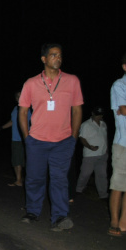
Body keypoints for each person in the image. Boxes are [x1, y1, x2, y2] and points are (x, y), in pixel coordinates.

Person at [18, 43, 84, 231]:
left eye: (60, 55)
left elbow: (77, 109)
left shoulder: (72, 81)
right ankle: (32, 211)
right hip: (37, 141)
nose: (58, 58)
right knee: (34, 178)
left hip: (63, 141)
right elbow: (22, 112)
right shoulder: (31, 83)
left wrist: (73, 137)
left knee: (59, 179)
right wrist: (27, 138)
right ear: (44, 59)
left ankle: (60, 217)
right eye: (53, 55)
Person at [0, 91, 31, 186]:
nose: (19, 97)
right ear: (16, 99)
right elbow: (12, 122)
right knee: (16, 160)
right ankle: (18, 180)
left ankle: (30, 181)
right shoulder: (15, 109)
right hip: (15, 138)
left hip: (26, 138)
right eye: (17, 96)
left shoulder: (29, 108)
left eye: (21, 95)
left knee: (27, 160)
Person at [108, 53, 126, 237]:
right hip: (123, 144)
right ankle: (114, 221)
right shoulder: (119, 85)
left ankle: (124, 222)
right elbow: (123, 109)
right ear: (125, 67)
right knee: (118, 184)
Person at [75, 106, 108, 199]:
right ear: (92, 114)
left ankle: (103, 195)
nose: (99, 117)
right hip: (90, 154)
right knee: (85, 173)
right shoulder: (86, 124)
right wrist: (90, 146)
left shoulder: (103, 124)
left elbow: (104, 138)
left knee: (102, 175)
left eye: (101, 115)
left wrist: (107, 149)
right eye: (97, 115)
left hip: (102, 154)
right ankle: (78, 189)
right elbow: (82, 138)